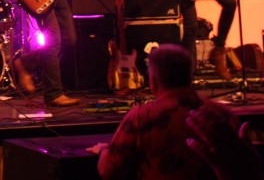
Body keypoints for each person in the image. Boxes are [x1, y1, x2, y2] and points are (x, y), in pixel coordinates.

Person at [94, 44, 243, 180]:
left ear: (153, 81)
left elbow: (107, 170)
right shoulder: (222, 114)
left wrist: (105, 150)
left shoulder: (141, 116)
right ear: (189, 76)